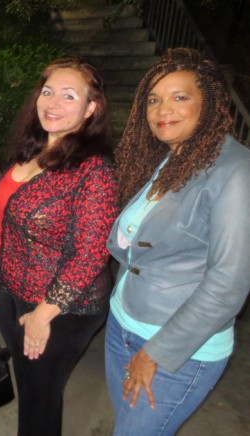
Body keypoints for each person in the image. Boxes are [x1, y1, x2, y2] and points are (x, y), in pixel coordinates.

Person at [105, 48, 250, 435]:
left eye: (180, 97)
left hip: (175, 350)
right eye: (154, 99)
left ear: (211, 102)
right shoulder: (176, 157)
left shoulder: (236, 172)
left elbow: (228, 286)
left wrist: (156, 353)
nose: (162, 109)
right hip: (123, 324)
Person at [0, 56, 118, 436]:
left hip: (62, 308)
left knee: (40, 397)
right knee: (30, 389)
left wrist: (44, 315)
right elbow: (4, 224)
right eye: (47, 92)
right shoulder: (30, 150)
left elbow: (91, 253)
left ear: (90, 108)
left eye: (68, 96)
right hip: (13, 291)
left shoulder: (94, 171)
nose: (52, 103)